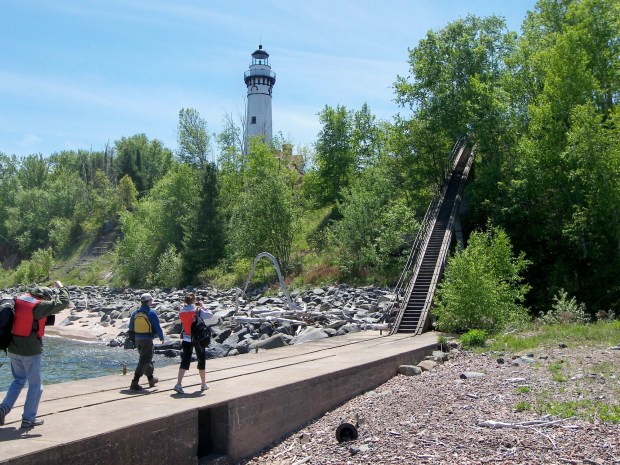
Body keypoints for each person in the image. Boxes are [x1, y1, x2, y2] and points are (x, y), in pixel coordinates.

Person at [0, 281, 70, 429]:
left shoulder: (19, 299)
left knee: (18, 381)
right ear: (43, 297)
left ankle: (3, 409)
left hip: (13, 348)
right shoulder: (39, 306)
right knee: (36, 386)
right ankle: (28, 419)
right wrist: (61, 287)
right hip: (30, 351)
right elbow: (64, 302)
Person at [174, 293, 213, 394]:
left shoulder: (181, 311)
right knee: (201, 360)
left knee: (185, 361)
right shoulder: (197, 310)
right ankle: (203, 384)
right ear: (194, 300)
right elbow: (210, 315)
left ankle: (178, 384)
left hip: (186, 338)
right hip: (198, 338)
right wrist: (203, 306)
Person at [128, 292, 164, 391]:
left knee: (146, 359)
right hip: (147, 340)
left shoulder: (135, 312)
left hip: (137, 340)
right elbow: (157, 327)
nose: (151, 302)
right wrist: (161, 337)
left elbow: (130, 327)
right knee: (145, 360)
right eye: (151, 300)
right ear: (148, 302)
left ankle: (151, 379)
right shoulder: (151, 313)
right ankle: (134, 382)